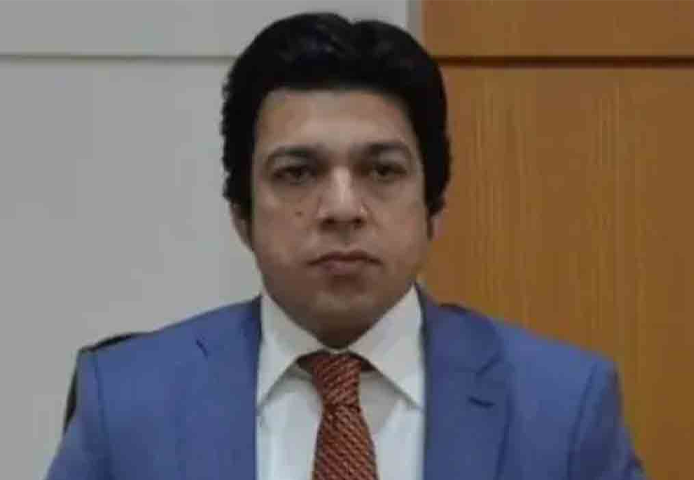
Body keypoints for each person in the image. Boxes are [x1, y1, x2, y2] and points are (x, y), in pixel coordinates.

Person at [46, 12, 645, 480]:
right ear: (241, 214)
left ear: (433, 207)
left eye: (382, 171)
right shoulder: (127, 401)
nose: (341, 208)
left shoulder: (563, 406)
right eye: (297, 173)